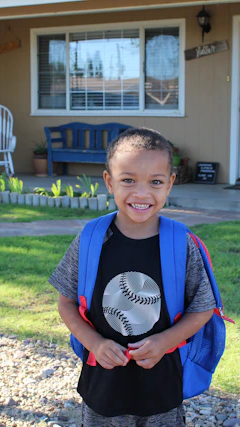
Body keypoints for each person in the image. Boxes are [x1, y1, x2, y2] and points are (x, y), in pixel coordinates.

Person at [49, 128, 216, 426]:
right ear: (109, 182)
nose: (141, 193)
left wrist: (166, 341)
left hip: (161, 390)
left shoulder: (181, 243)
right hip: (102, 388)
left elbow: (203, 307)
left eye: (155, 182)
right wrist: (96, 344)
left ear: (170, 184)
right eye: (128, 180)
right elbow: (66, 303)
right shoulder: (91, 239)